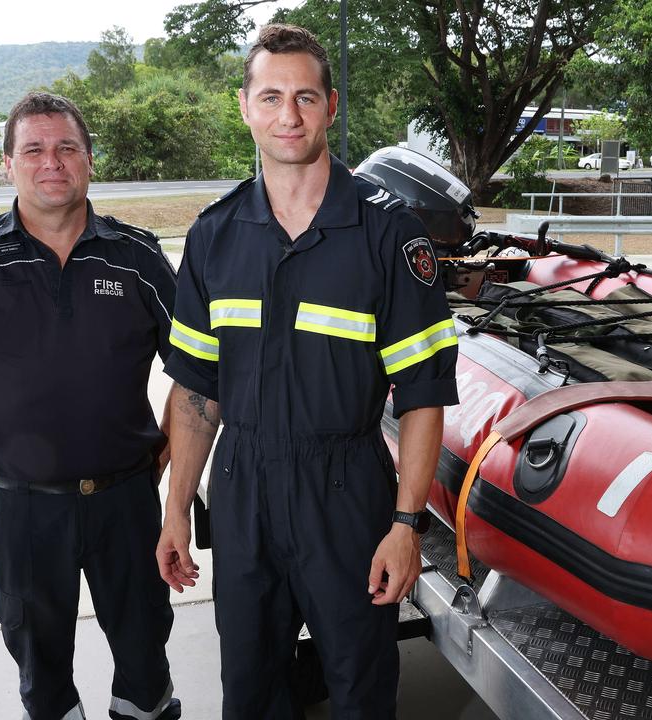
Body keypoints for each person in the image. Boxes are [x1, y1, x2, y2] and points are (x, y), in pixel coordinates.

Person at [155, 23, 459, 720]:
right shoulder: (213, 235)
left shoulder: (390, 234)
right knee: (251, 689)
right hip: (243, 490)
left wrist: (406, 524)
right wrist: (176, 507)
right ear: (244, 106)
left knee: (360, 687)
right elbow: (196, 392)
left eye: (304, 97)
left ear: (331, 104)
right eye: (270, 97)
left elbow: (422, 394)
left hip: (347, 492)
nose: (287, 116)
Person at [0, 91, 181, 720]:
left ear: (89, 160)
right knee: (41, 670)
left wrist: (163, 459)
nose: (51, 161)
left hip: (126, 504)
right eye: (34, 149)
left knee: (145, 659)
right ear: (8, 165)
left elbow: (196, 374)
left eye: (66, 148)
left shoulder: (136, 259)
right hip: (22, 512)